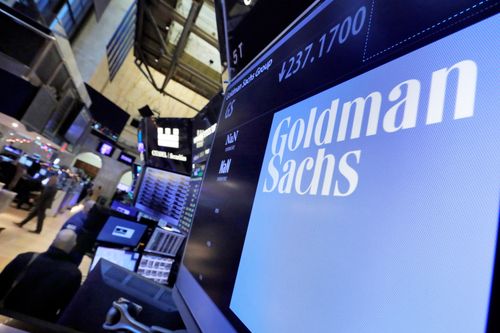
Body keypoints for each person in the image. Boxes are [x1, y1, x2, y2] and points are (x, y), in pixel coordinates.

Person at [0, 229, 82, 321]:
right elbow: (66, 308)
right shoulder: (73, 274)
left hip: (6, 314)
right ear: (73, 246)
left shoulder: (25, 257)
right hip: (37, 323)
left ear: (53, 241)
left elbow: (2, 283)